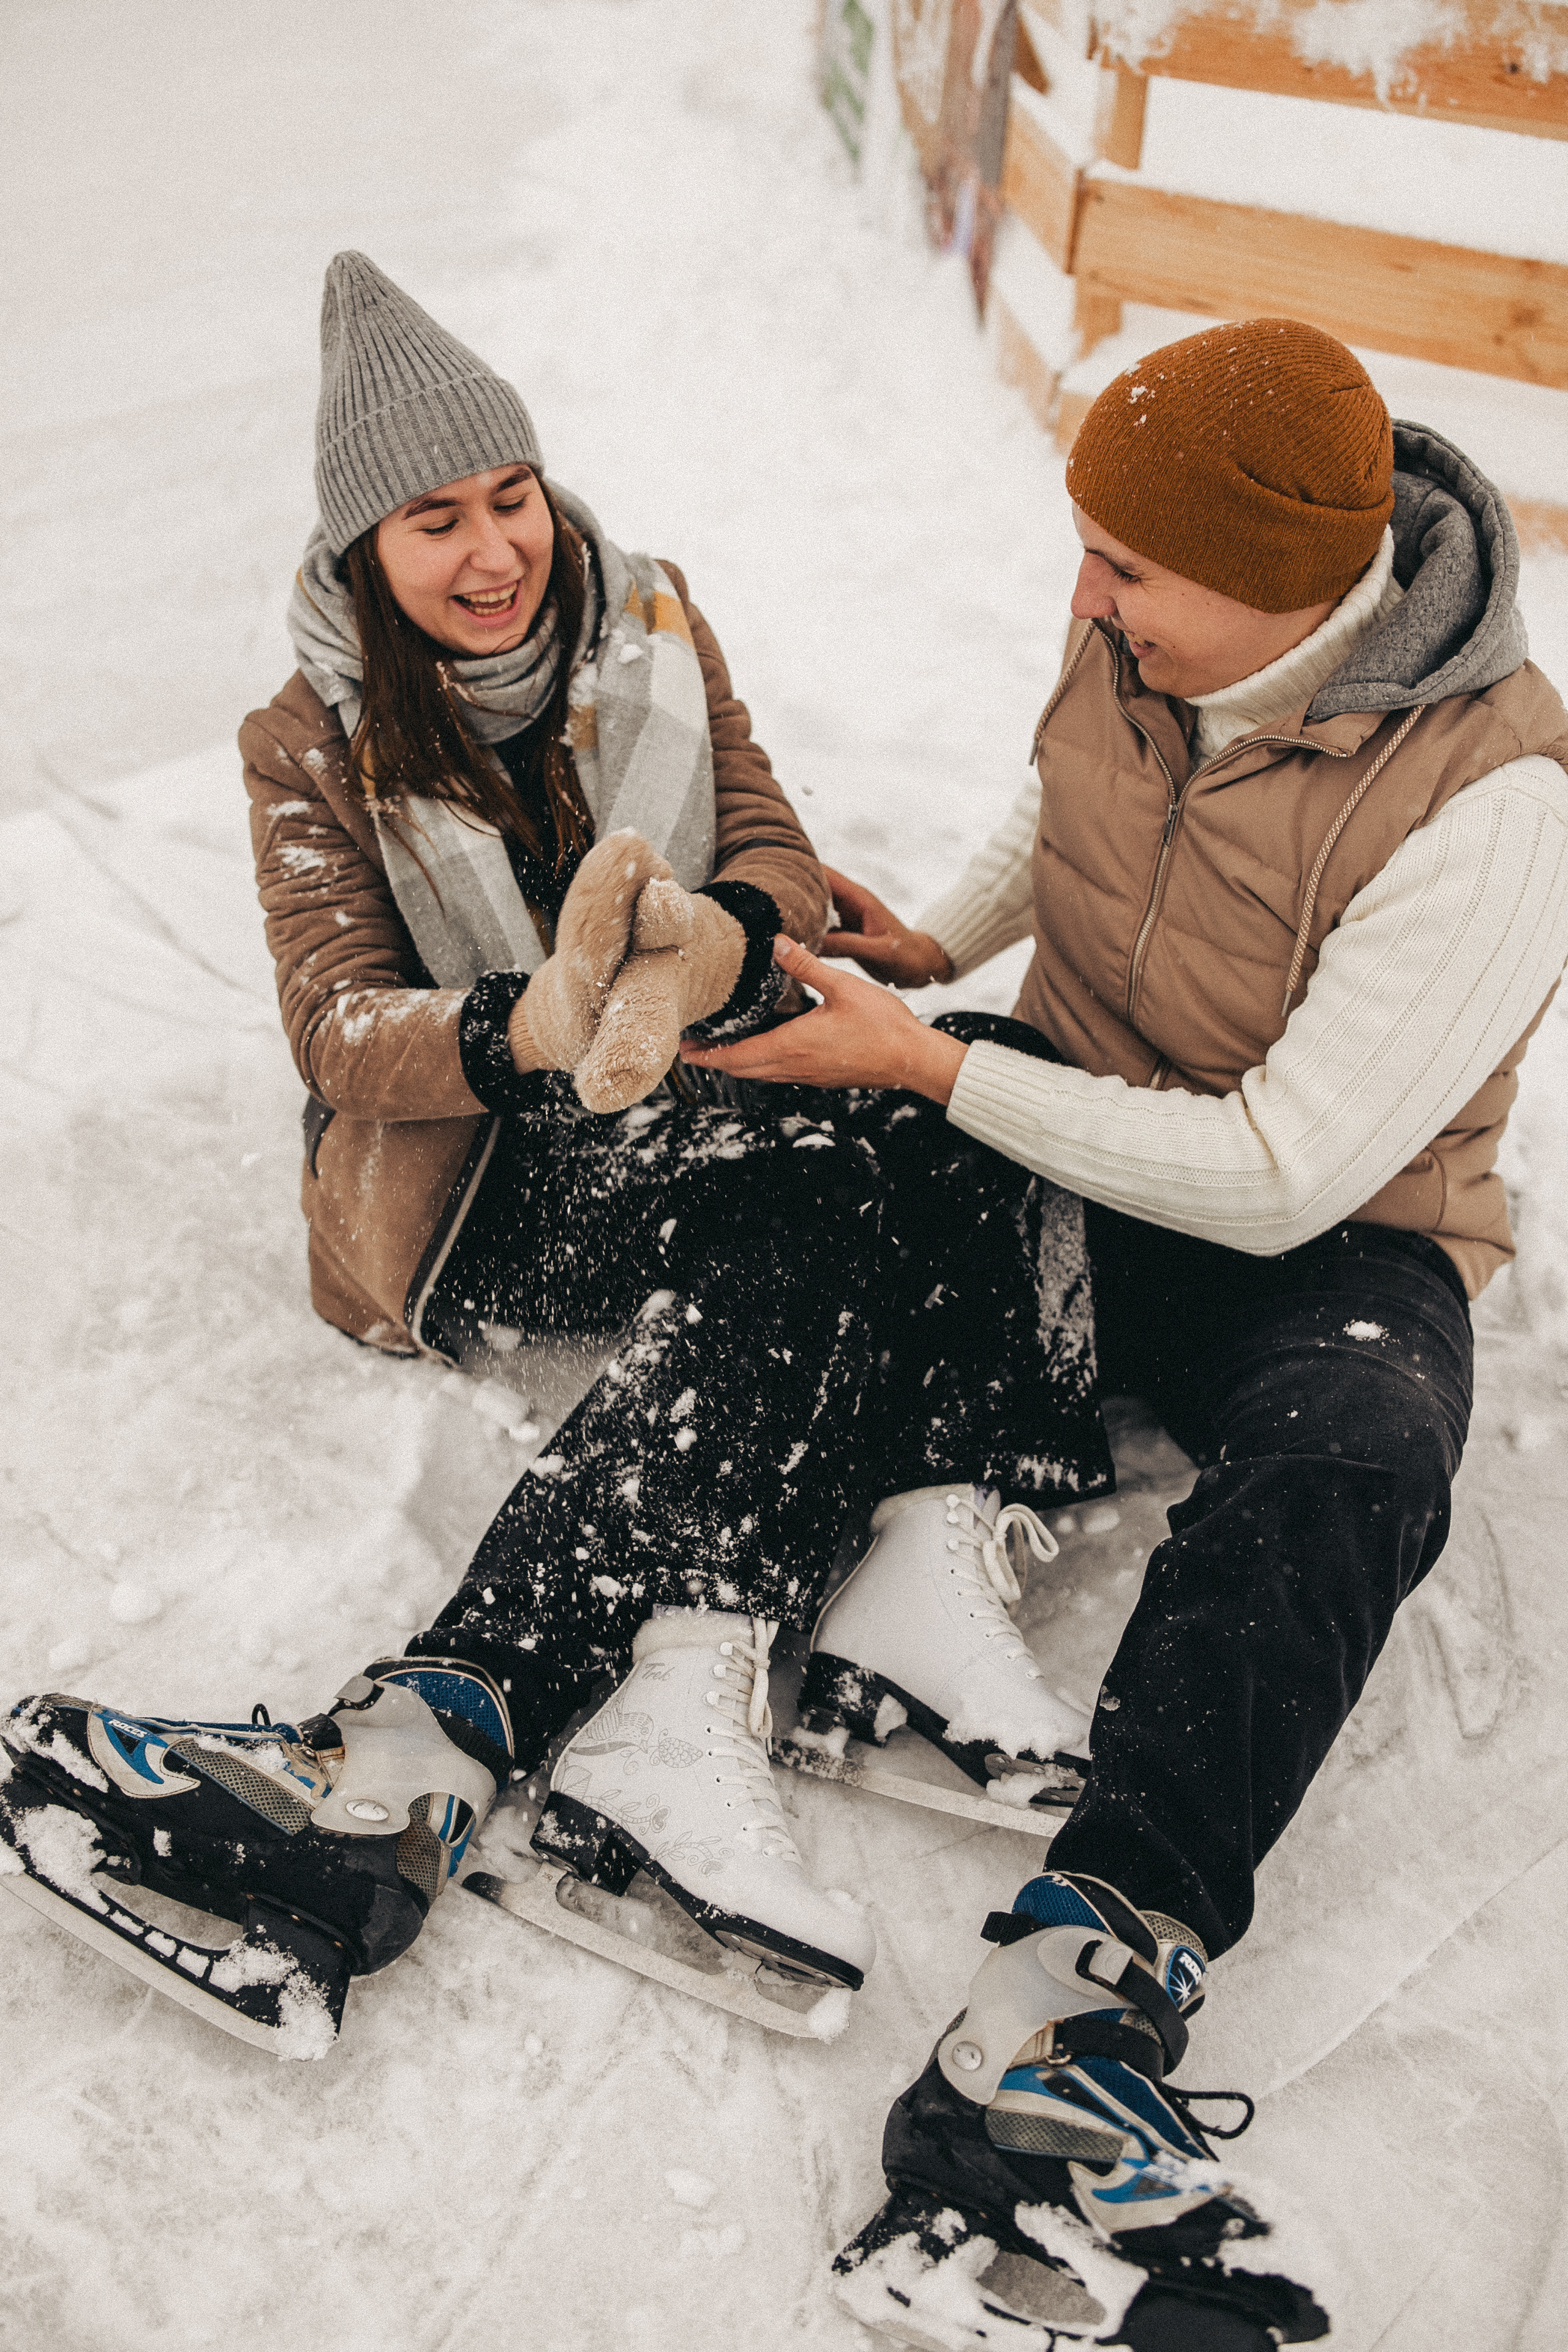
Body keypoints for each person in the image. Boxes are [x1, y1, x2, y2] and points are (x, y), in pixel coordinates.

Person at [0, 253, 1113, 2050]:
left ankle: (889, 1560)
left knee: (965, 1082)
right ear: (366, 549)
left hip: (689, 1072)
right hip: (478, 1172)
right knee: (810, 1191)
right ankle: (506, 1710)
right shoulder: (312, 739)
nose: (492, 549)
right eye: (434, 518)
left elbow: (763, 827)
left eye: (508, 496)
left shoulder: (652, 618)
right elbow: (336, 1029)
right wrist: (536, 1026)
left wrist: (725, 947)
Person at [681, 318, 1568, 2347]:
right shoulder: (1151, 636)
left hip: (1321, 1228)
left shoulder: (1501, 798)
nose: (1081, 596)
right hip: (1078, 1114)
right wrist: (940, 960)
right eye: (1083, 553)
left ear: (1295, 585)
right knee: (814, 1151)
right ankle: (690, 1630)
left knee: (1360, 1453)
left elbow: (1282, 1172)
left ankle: (1078, 1994)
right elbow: (1059, 812)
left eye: (1122, 569)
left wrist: (939, 1066)